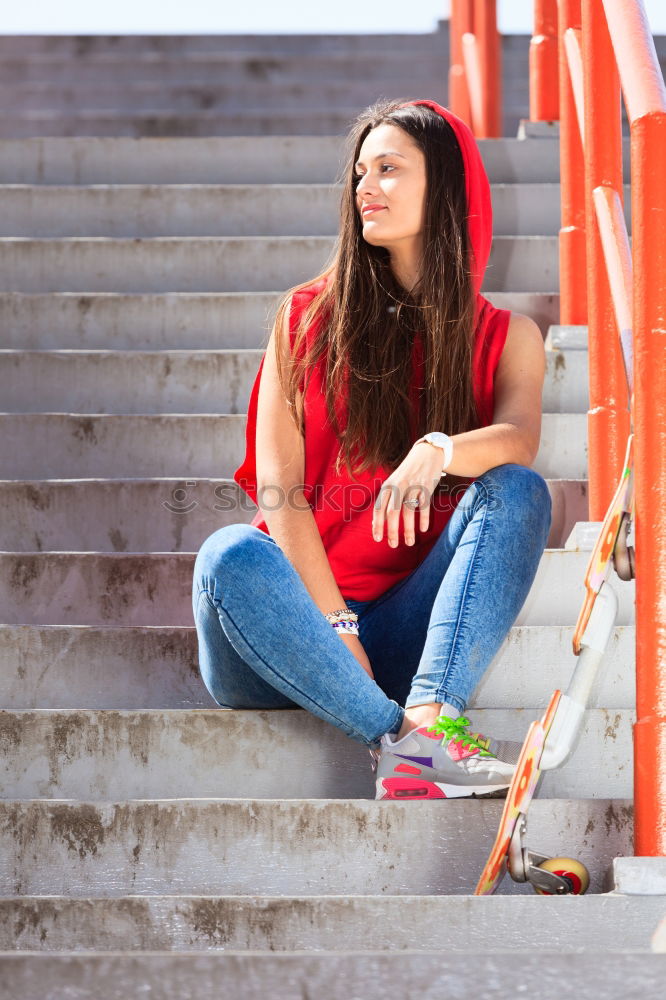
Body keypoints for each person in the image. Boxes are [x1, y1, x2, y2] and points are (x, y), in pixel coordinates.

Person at [191, 97, 552, 800]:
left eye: (389, 168)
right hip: (285, 630)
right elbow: (281, 494)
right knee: (227, 556)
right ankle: (407, 746)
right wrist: (337, 633)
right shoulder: (303, 318)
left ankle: (429, 716)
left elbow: (520, 439)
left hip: (409, 629)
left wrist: (439, 449)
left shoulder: (507, 338)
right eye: (360, 172)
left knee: (517, 490)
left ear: (444, 186)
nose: (365, 187)